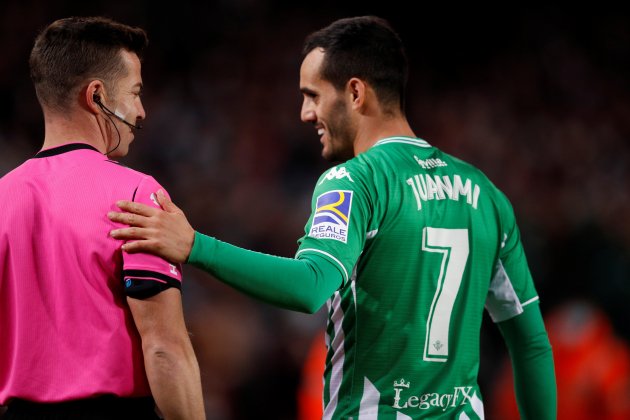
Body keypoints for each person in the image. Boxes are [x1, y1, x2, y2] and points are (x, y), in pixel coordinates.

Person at [108, 16, 557, 419]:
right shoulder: (485, 193)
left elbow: (309, 285)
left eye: (312, 96)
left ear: (355, 93)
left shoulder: (355, 180)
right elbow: (531, 343)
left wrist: (194, 246)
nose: (306, 113)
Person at [0, 17, 204, 419]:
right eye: (135, 93)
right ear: (96, 96)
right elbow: (164, 348)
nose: (142, 111)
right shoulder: (136, 196)